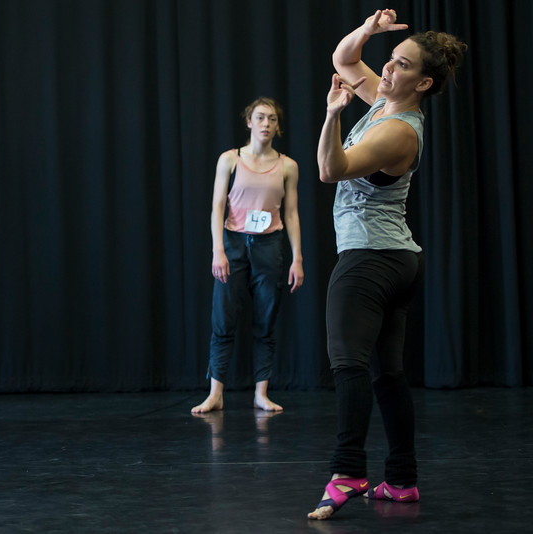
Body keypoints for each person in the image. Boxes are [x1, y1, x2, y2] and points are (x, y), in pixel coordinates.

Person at [308, 10, 466, 520]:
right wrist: (369, 31)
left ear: (423, 83)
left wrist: (332, 115)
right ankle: (401, 481)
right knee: (387, 375)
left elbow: (329, 169)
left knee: (348, 365)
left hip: (370, 260)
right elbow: (344, 58)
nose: (388, 69)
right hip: (395, 258)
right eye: (391, 60)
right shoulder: (383, 99)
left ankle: (348, 471)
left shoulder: (398, 130)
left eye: (401, 65)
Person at [192, 97, 304, 414]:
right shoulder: (230, 159)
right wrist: (218, 250)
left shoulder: (288, 166)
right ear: (249, 122)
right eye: (260, 117)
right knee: (223, 320)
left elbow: (291, 213)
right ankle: (215, 394)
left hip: (270, 245)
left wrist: (297, 257)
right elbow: (217, 206)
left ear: (278, 126)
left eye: (272, 119)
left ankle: (261, 394)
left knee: (265, 322)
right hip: (234, 243)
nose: (266, 123)